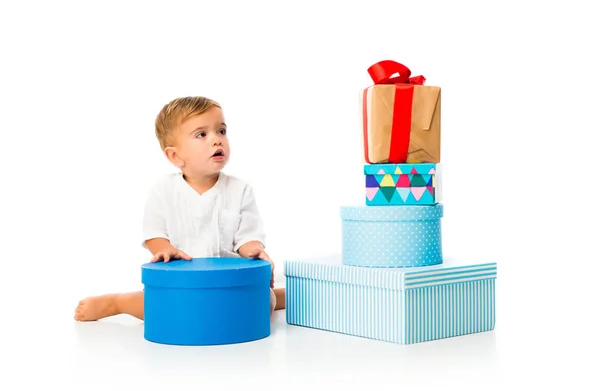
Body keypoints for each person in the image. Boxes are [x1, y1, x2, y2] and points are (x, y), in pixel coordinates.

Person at [74, 96, 285, 322]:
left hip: (228, 282)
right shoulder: (164, 190)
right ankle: (116, 303)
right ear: (175, 156)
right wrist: (165, 249)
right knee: (161, 308)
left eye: (221, 131)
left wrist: (254, 250)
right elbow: (153, 233)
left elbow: (248, 237)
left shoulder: (239, 189)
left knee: (265, 303)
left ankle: (278, 297)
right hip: (182, 285)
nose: (217, 140)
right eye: (201, 135)